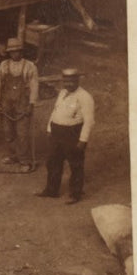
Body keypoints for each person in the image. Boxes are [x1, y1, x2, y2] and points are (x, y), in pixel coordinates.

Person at [38, 67, 95, 204]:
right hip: (57, 132)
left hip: (72, 133)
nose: (68, 84)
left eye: (71, 81)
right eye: (66, 81)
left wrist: (83, 140)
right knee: (53, 162)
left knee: (75, 164)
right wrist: (49, 128)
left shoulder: (85, 97)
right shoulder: (62, 93)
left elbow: (89, 121)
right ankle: (51, 190)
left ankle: (75, 194)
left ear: (77, 80)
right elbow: (55, 111)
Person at [0, 37, 40, 170]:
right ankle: (13, 155)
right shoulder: (4, 65)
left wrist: (31, 103)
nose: (15, 54)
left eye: (17, 51)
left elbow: (34, 85)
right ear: (9, 53)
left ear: (21, 51)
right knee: (8, 131)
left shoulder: (30, 66)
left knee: (22, 133)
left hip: (22, 104)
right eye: (12, 52)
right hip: (6, 103)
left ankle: (24, 161)